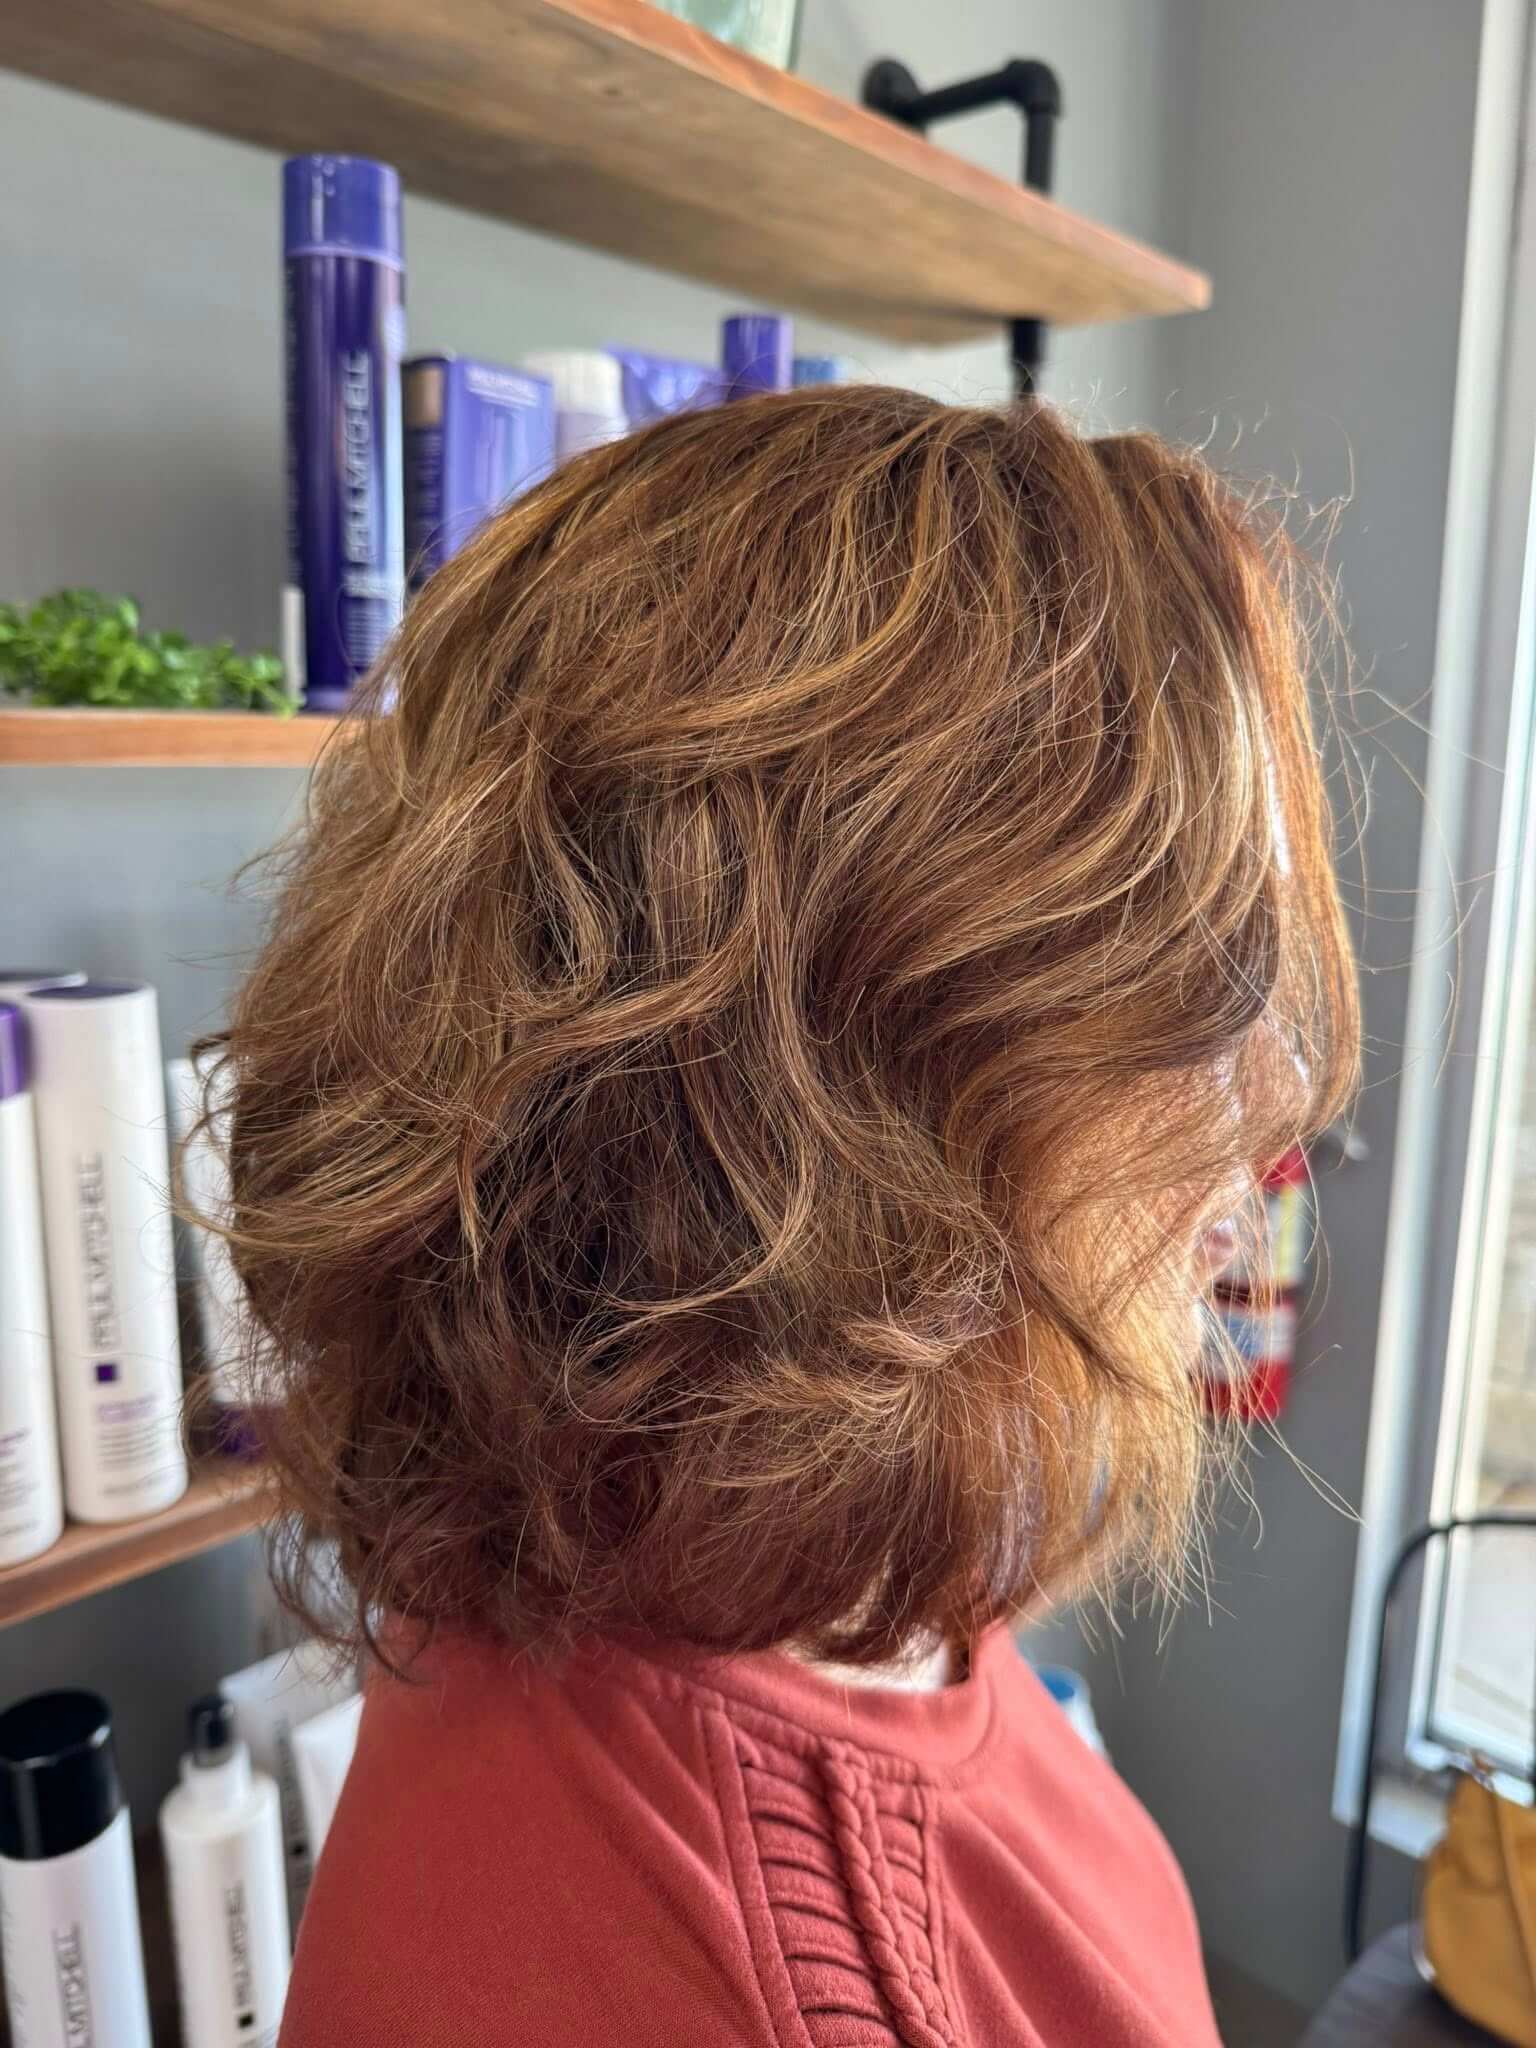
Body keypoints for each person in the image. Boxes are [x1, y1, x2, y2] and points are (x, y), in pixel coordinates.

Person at [213, 388, 1357, 2045]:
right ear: (828, 1094)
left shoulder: (833, 1582)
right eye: (1187, 980)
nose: (1273, 1087)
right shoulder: (671, 1957)